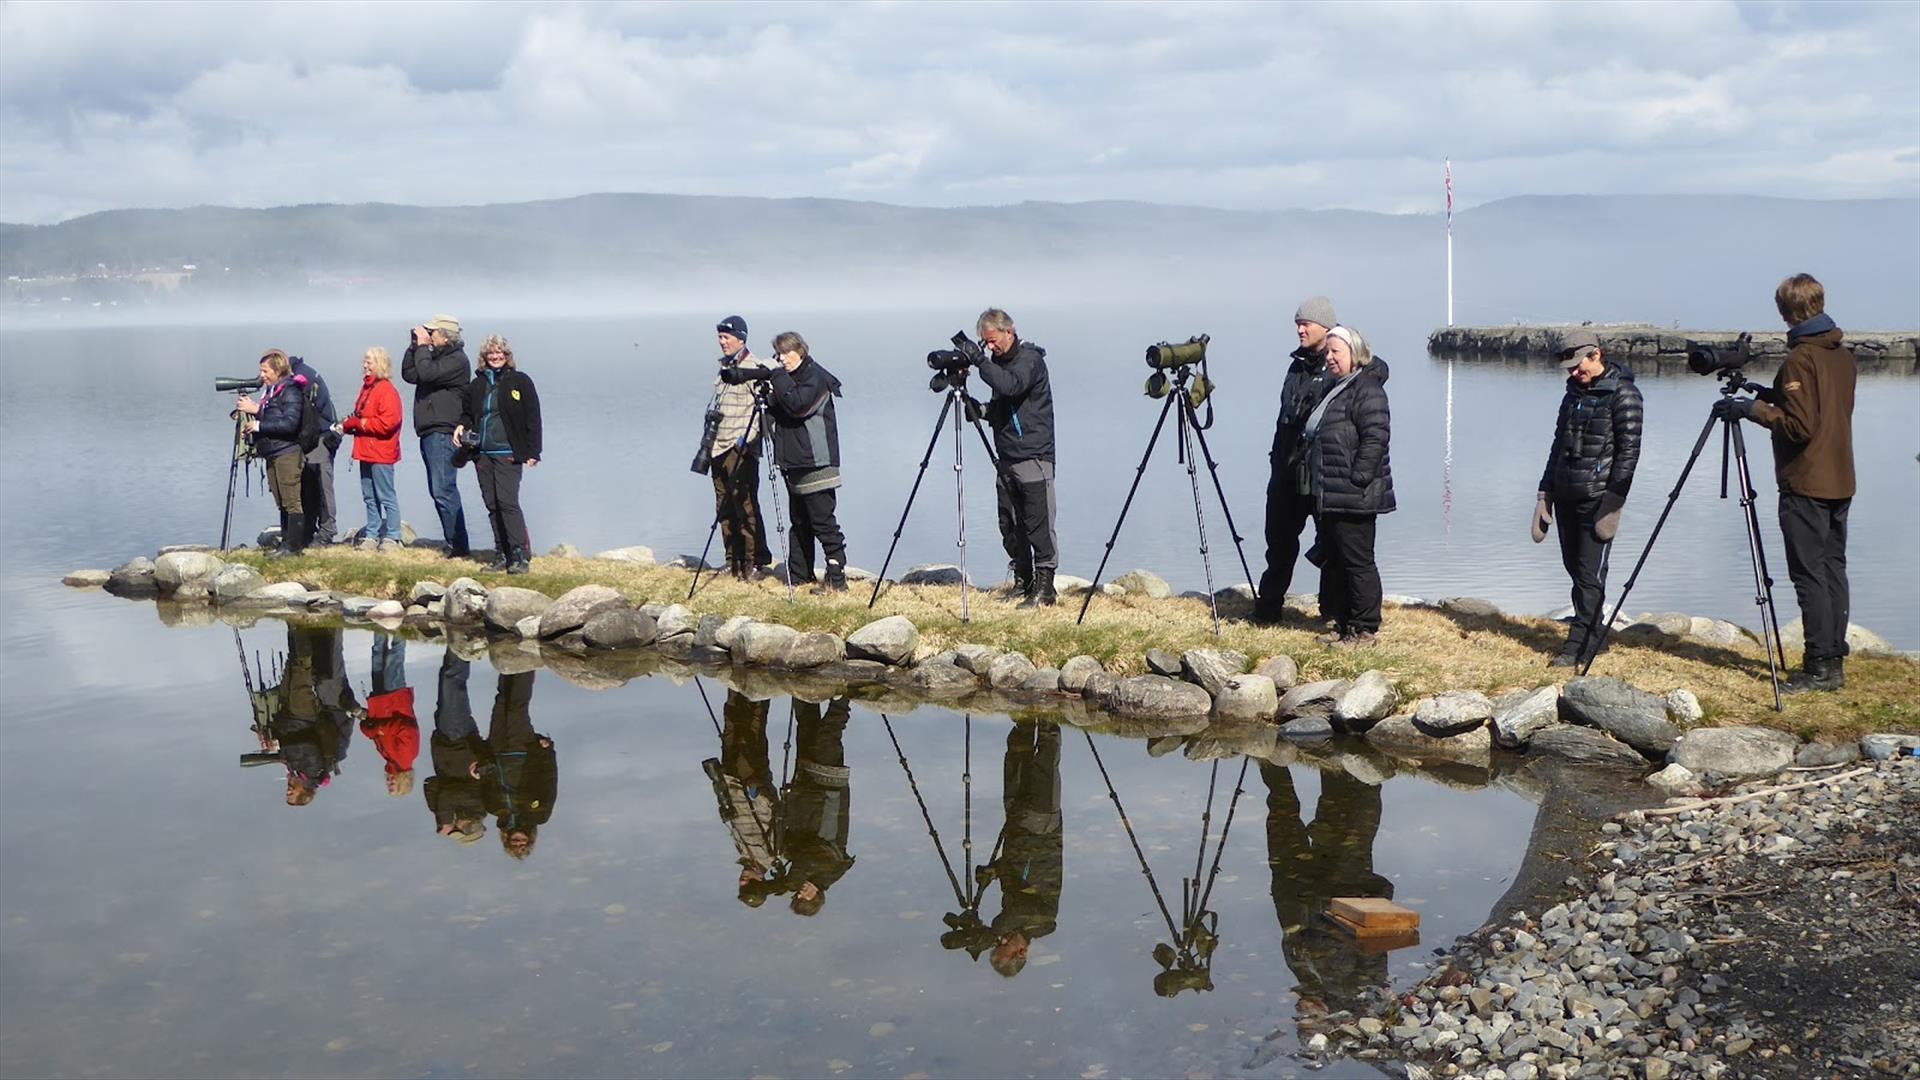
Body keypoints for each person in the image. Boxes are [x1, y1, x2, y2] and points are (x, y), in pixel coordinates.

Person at [1715, 273, 1858, 693]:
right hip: (1840, 477)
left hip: (1807, 481)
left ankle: (1817, 667)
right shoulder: (1840, 354)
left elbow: (1799, 426)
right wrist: (1765, 394)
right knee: (1833, 569)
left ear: (1787, 311)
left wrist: (1749, 410)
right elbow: (1819, 408)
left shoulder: (1800, 358)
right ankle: (1833, 662)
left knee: (1808, 574)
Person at [1532, 327, 1643, 667]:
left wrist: (1613, 502)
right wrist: (1544, 493)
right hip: (1565, 494)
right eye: (1569, 369)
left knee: (1589, 576)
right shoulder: (1572, 395)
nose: (1575, 373)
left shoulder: (1625, 395)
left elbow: (1629, 454)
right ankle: (1594, 634)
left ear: (1596, 354)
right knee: (1575, 570)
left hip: (1597, 500)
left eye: (1579, 366)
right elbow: (1557, 445)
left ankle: (1578, 647)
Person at [1262, 762, 1394, 1021]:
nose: (1301, 1011)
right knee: (1348, 817)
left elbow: (1292, 939)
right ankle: (1349, 763)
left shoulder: (1308, 978)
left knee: (1284, 810)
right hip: (1340, 889)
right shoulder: (1354, 988)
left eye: (1302, 1018)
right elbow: (1374, 950)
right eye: (1309, 1018)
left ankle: (1270, 760)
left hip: (1296, 892)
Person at [1300, 325, 1394, 647]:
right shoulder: (1338, 388)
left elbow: (1376, 436)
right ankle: (1344, 627)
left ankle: (1365, 629)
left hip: (1354, 494)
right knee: (1337, 561)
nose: (1328, 358)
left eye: (1335, 352)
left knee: (1358, 562)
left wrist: (1358, 478)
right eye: (1327, 352)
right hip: (1331, 492)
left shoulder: (1366, 389)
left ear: (1354, 354)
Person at [1255, 296, 1338, 625]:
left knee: (1330, 546)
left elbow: (1376, 369)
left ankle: (1331, 612)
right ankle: (1267, 609)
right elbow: (1284, 419)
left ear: (1326, 327)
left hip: (1320, 474)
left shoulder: (1338, 366)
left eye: (1306, 324)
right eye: (1297, 324)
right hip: (1286, 472)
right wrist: (1277, 465)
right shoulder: (1296, 366)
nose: (1300, 329)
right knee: (1278, 544)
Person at [972, 308, 1058, 608]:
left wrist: (980, 362)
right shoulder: (998, 363)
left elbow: (1012, 385)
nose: (990, 347)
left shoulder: (1031, 360)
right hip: (1006, 455)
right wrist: (980, 411)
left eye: (993, 341)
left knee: (1038, 523)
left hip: (1033, 454)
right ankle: (1023, 580)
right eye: (985, 343)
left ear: (1009, 331)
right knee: (1009, 523)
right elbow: (1003, 406)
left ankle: (1046, 588)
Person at [763, 331, 849, 593]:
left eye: (786, 353)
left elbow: (798, 406)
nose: (782, 359)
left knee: (823, 521)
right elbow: (783, 410)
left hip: (817, 462)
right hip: (796, 462)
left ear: (800, 351)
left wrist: (775, 376)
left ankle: (837, 579)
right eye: (778, 354)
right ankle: (800, 575)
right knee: (799, 520)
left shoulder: (815, 378)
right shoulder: (791, 379)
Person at [452, 334, 542, 575]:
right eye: (491, 353)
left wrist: (534, 451)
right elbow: (468, 413)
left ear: (507, 355)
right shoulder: (477, 384)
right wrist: (461, 425)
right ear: (484, 357)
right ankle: (501, 553)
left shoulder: (520, 382)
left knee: (507, 502)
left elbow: (533, 417)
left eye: (499, 352)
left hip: (508, 452)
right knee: (492, 504)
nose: (495, 357)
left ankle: (520, 554)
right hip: (482, 453)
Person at [980, 722, 1063, 977]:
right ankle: (1049, 706)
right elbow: (1020, 908)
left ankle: (1024, 715)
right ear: (1022, 952)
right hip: (1041, 824)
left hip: (1016, 822)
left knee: (1017, 753)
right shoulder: (1044, 923)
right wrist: (991, 931)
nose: (1003, 939)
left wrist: (992, 872)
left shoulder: (1009, 914)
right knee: (1047, 750)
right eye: (1005, 946)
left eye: (998, 943)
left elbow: (1014, 873)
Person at [705, 315, 775, 580]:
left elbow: (761, 412)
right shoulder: (724, 368)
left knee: (744, 504)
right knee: (723, 504)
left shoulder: (754, 367)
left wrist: (746, 441)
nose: (722, 342)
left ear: (741, 339)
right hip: (717, 446)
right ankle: (732, 560)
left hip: (740, 447)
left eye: (727, 337)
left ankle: (755, 561)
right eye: (720, 337)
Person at [402, 314, 472, 558]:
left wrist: (422, 347)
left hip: (443, 431)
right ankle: (454, 543)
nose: (429, 336)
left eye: (432, 332)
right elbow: (410, 374)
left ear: (445, 335)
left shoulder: (456, 360)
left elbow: (427, 373)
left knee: (444, 489)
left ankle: (459, 546)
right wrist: (414, 346)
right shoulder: (436, 357)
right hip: (430, 430)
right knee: (438, 489)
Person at [704, 690, 781, 906]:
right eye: (747, 882)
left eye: (741, 882)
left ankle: (733, 684)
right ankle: (760, 686)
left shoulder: (744, 853)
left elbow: (737, 818)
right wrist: (755, 793)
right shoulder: (771, 853)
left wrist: (721, 791)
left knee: (731, 729)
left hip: (731, 782)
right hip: (751, 779)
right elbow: (772, 815)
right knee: (752, 729)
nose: (742, 879)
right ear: (759, 880)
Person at [232, 349, 310, 557]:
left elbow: (290, 424)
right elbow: (273, 417)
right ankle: (285, 544)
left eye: (265, 371)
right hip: (273, 453)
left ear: (278, 370)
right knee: (281, 501)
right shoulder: (272, 391)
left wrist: (259, 426)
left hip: (287, 453)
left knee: (292, 501)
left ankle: (294, 548)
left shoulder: (291, 391)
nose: (262, 375)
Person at [471, 671, 555, 860]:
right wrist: (547, 752)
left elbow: (485, 781)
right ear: (530, 840)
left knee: (501, 702)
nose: (518, 841)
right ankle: (525, 665)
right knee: (517, 708)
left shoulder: (493, 808)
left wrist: (478, 770)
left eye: (514, 844)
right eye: (522, 844)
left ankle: (506, 664)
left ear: (506, 840)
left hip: (497, 749)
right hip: (523, 750)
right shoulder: (539, 815)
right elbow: (548, 782)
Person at [272, 625, 358, 807]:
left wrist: (274, 741)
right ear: (304, 792)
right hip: (302, 716)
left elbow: (292, 746)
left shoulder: (297, 771)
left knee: (292, 664)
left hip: (288, 716)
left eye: (287, 793)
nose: (288, 790)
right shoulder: (313, 772)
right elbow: (308, 746)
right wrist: (281, 750)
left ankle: (295, 626)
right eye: (292, 794)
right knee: (301, 668)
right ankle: (299, 624)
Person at [338, 346, 406, 552]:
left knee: (386, 495)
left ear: (380, 364)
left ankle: (393, 536)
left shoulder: (386, 391)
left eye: (370, 361)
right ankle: (372, 535)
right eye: (365, 361)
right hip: (365, 450)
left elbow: (388, 424)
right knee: (369, 496)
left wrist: (356, 424)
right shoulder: (367, 388)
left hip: (381, 452)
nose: (365, 365)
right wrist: (350, 424)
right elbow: (362, 417)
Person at [424, 650, 486, 844]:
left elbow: (431, 785)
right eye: (457, 830)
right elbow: (448, 792)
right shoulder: (478, 805)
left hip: (448, 737)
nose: (454, 827)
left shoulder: (456, 808)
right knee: (452, 681)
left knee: (448, 678)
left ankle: (455, 642)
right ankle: (464, 642)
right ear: (466, 826)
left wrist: (440, 816)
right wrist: (444, 819)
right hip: (457, 738)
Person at [358, 632, 418, 798]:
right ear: (403, 782)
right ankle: (402, 622)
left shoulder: (388, 758)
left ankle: (380, 622)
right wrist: (379, 730)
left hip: (379, 701)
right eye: (393, 786)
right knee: (395, 656)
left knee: (378, 654)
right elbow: (407, 728)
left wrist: (371, 728)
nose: (389, 783)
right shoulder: (406, 758)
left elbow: (370, 730)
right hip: (394, 697)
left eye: (388, 786)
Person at [291, 354, 342, 547]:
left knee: (322, 485)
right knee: (311, 485)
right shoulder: (303, 372)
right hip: (314, 435)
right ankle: (310, 529)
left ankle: (327, 531)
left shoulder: (301, 378)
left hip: (320, 437)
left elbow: (300, 411)